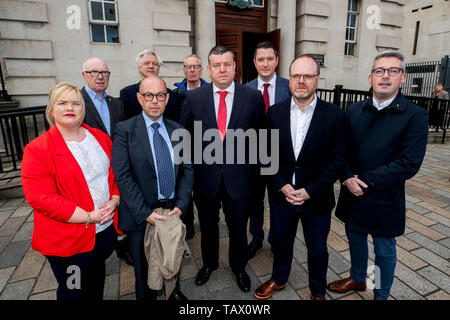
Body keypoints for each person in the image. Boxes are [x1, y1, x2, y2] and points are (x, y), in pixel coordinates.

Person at [327, 51, 428, 300]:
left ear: (402, 77)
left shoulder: (415, 115)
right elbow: (342, 149)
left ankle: (381, 294)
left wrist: (367, 181)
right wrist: (347, 177)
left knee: (384, 249)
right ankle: (358, 278)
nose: (385, 76)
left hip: (385, 196)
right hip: (353, 191)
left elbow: (409, 163)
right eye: (380, 71)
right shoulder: (354, 111)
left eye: (392, 71)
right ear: (371, 77)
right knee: (355, 238)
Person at [253, 54, 346, 300]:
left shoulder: (335, 115)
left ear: (317, 79)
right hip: (281, 196)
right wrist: (282, 185)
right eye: (296, 76)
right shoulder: (274, 113)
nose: (301, 80)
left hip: (316, 199)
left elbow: (337, 161)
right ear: (289, 79)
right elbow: (265, 155)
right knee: (281, 243)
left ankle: (317, 291)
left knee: (317, 249)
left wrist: (310, 190)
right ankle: (279, 278)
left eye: (307, 76)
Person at [21, 82, 121, 300]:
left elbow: (113, 174)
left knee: (96, 283)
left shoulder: (100, 137)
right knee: (73, 291)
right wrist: (88, 216)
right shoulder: (37, 149)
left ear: (83, 109)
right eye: (63, 103)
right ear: (51, 110)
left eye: (76, 103)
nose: (70, 108)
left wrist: (114, 200)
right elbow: (41, 198)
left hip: (102, 231)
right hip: (67, 241)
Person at [180, 45, 266, 293]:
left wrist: (256, 176)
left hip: (239, 180)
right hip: (205, 179)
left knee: (238, 227)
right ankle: (209, 264)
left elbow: (262, 138)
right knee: (207, 226)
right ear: (208, 68)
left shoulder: (251, 97)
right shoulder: (194, 98)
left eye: (227, 64)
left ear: (235, 66)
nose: (222, 69)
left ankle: (239, 267)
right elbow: (185, 138)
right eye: (216, 65)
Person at [112, 76, 193, 300]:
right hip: (142, 215)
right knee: (145, 270)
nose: (154, 100)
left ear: (167, 98)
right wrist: (145, 213)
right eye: (149, 95)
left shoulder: (179, 130)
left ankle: (173, 292)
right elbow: (123, 175)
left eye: (159, 95)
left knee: (173, 257)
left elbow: (188, 170)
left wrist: (182, 204)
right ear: (140, 98)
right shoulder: (124, 130)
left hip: (172, 211)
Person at [81, 57, 133, 266]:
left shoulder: (116, 104)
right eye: (95, 72)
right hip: (91, 171)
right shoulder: (77, 102)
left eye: (105, 73)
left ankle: (122, 248)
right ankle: (92, 249)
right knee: (96, 208)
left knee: (120, 208)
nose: (100, 77)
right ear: (84, 75)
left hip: (117, 168)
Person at [245, 41, 291, 259]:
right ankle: (256, 237)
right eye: (261, 59)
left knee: (278, 201)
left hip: (280, 158)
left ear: (277, 61)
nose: (265, 63)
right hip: (253, 158)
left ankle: (276, 238)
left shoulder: (289, 87)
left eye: (269, 59)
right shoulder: (244, 90)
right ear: (254, 62)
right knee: (255, 201)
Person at [173, 54, 208, 239]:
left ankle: (207, 222)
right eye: (188, 67)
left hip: (206, 151)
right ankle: (188, 227)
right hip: (183, 150)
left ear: (201, 70)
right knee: (184, 189)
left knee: (203, 193)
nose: (192, 70)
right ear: (184, 70)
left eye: (196, 67)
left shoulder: (210, 91)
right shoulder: (175, 93)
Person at [119, 50, 178, 121]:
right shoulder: (127, 93)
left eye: (155, 64)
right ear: (139, 68)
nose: (151, 66)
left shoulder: (171, 95)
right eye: (146, 63)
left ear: (158, 69)